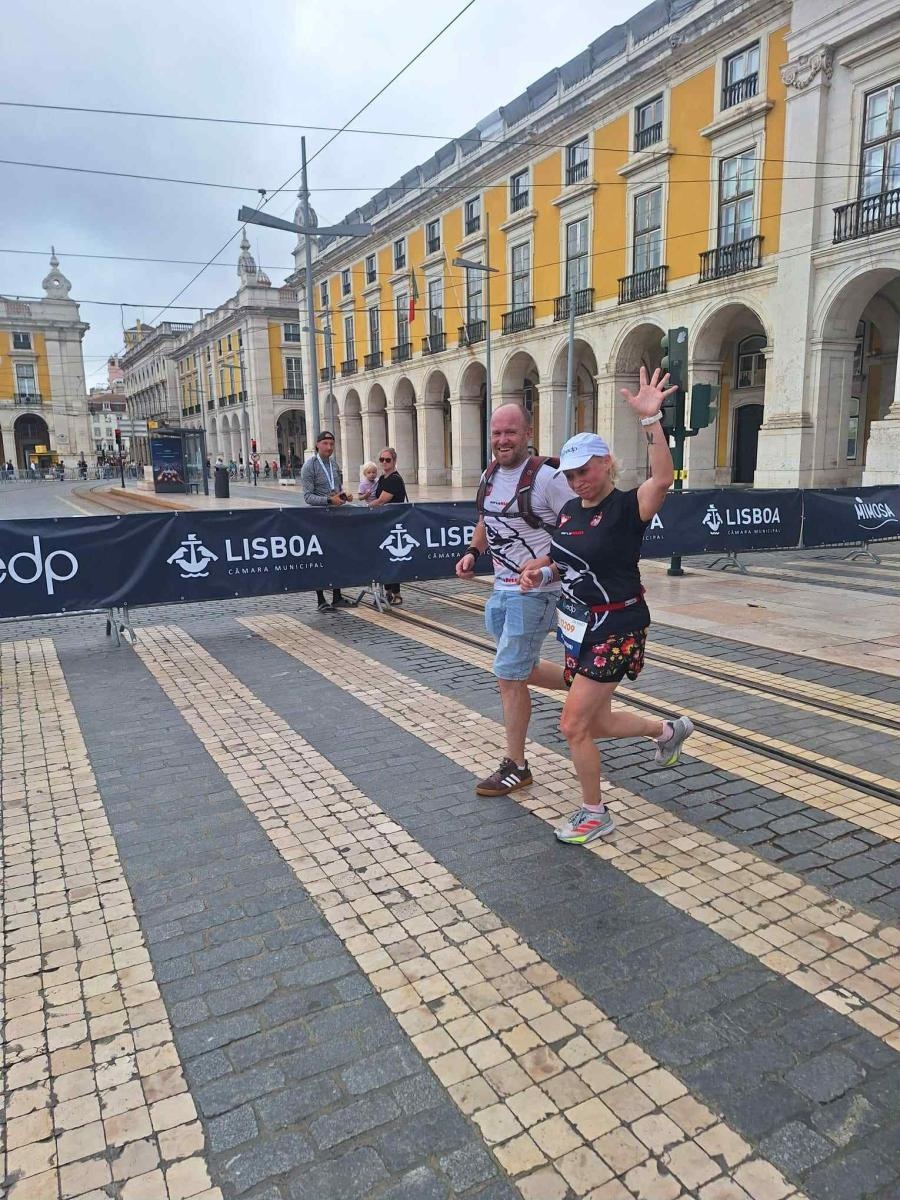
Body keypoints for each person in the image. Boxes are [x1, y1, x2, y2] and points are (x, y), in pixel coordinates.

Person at [520, 368, 694, 846]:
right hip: (579, 627)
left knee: (573, 724)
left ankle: (595, 813)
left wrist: (651, 419)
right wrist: (542, 571)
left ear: (606, 464)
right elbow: (564, 560)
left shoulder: (626, 507)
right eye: (571, 475)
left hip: (618, 625)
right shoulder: (571, 512)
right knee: (596, 721)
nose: (578, 482)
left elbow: (662, 477)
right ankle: (666, 731)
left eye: (586, 471)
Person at [456, 404, 574, 797]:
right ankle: (585, 682)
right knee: (519, 669)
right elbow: (487, 521)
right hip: (502, 589)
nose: (502, 440)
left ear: (528, 433)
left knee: (508, 674)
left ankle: (516, 765)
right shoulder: (489, 474)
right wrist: (474, 551)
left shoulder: (549, 478)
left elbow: (579, 530)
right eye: (496, 433)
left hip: (536, 592)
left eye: (510, 432)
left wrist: (545, 565)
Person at [300, 429, 353, 612]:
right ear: (317, 445)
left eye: (331, 444)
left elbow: (336, 489)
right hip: (318, 519)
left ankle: (337, 596)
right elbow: (307, 497)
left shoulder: (334, 465)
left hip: (335, 518)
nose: (329, 447)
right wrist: (329, 500)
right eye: (325, 444)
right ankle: (321, 598)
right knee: (320, 559)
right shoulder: (309, 466)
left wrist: (343, 496)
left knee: (337, 557)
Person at [367, 447, 408, 605]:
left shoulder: (394, 479)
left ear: (394, 461)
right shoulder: (383, 478)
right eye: (382, 460)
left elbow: (382, 500)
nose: (384, 462)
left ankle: (396, 593)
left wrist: (368, 507)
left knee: (393, 559)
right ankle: (388, 592)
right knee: (386, 558)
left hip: (394, 523)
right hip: (384, 522)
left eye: (388, 460)